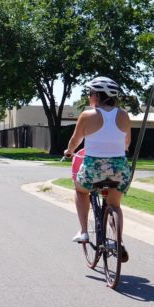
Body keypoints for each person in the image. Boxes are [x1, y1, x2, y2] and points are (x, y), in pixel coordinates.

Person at [63, 76, 132, 261]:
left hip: (94, 168)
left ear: (98, 96)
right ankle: (118, 241)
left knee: (80, 191)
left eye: (90, 93)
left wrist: (69, 152)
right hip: (119, 169)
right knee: (115, 205)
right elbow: (127, 143)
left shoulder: (87, 115)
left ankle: (84, 231)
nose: (88, 96)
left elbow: (75, 141)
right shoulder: (124, 115)